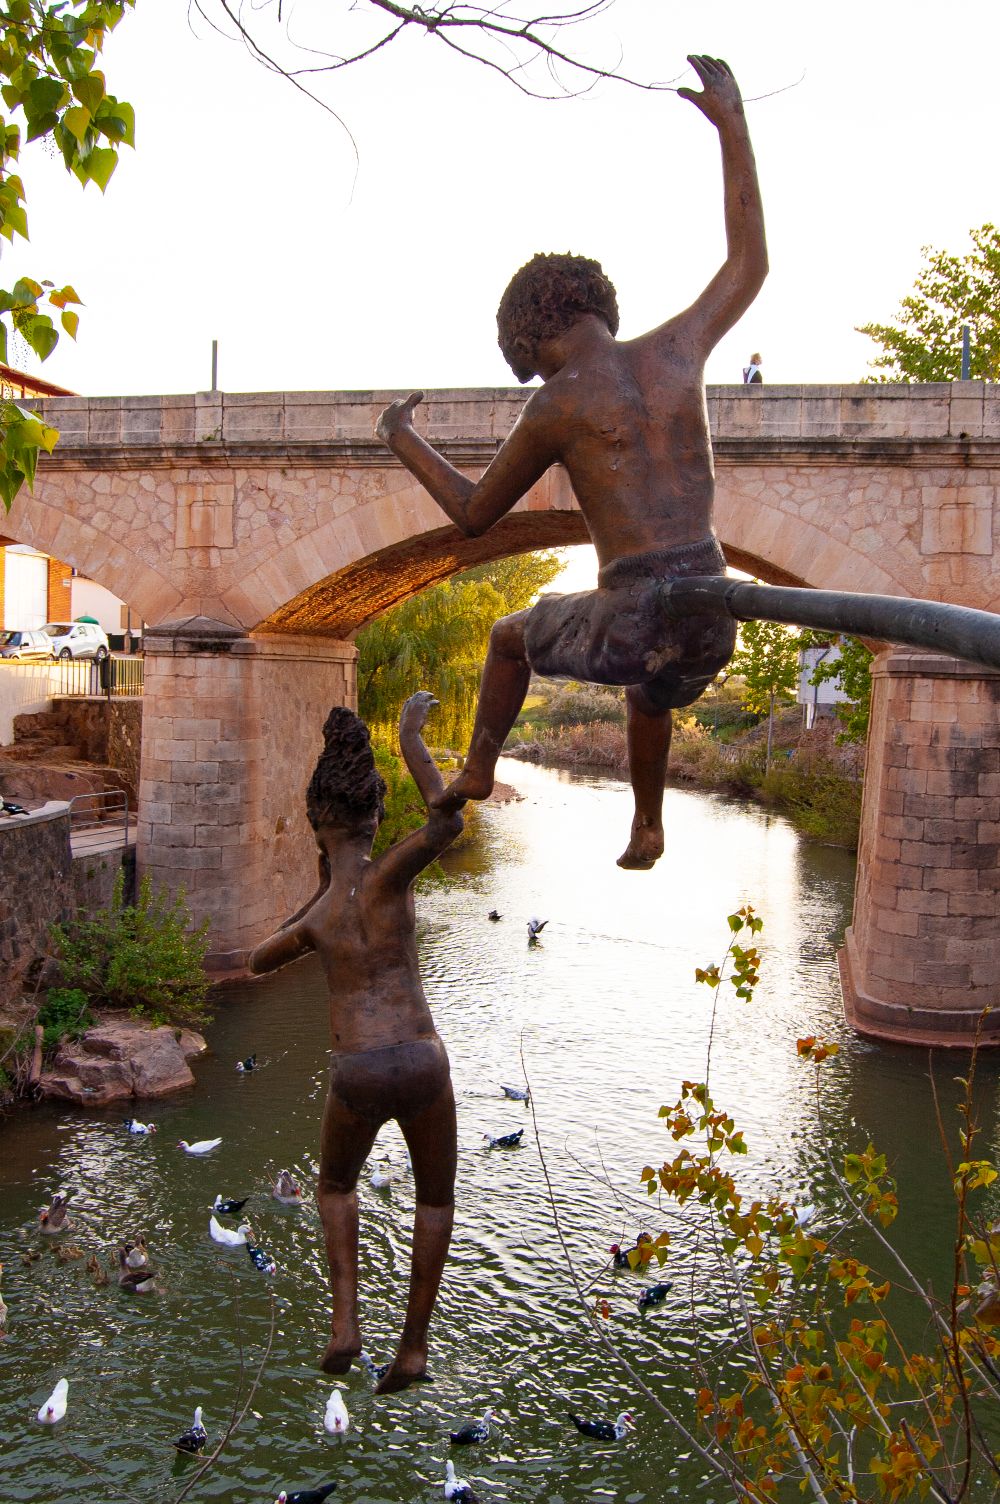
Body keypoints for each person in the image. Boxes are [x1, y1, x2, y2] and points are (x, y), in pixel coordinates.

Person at [376, 55, 767, 871]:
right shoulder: (679, 349)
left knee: (507, 635)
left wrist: (402, 439)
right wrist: (733, 128)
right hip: (712, 611)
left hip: (634, 615)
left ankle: (480, 768)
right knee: (650, 686)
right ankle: (648, 822)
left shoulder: (555, 404)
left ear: (527, 336)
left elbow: (476, 514)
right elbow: (747, 265)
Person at [248, 692, 462, 1394]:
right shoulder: (390, 876)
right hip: (420, 1058)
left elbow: (258, 961)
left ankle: (345, 1323)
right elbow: (446, 818)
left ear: (318, 825)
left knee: (336, 1186)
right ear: (373, 817)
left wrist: (313, 896)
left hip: (357, 1066)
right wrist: (409, 739)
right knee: (434, 1202)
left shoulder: (317, 919)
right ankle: (414, 1350)